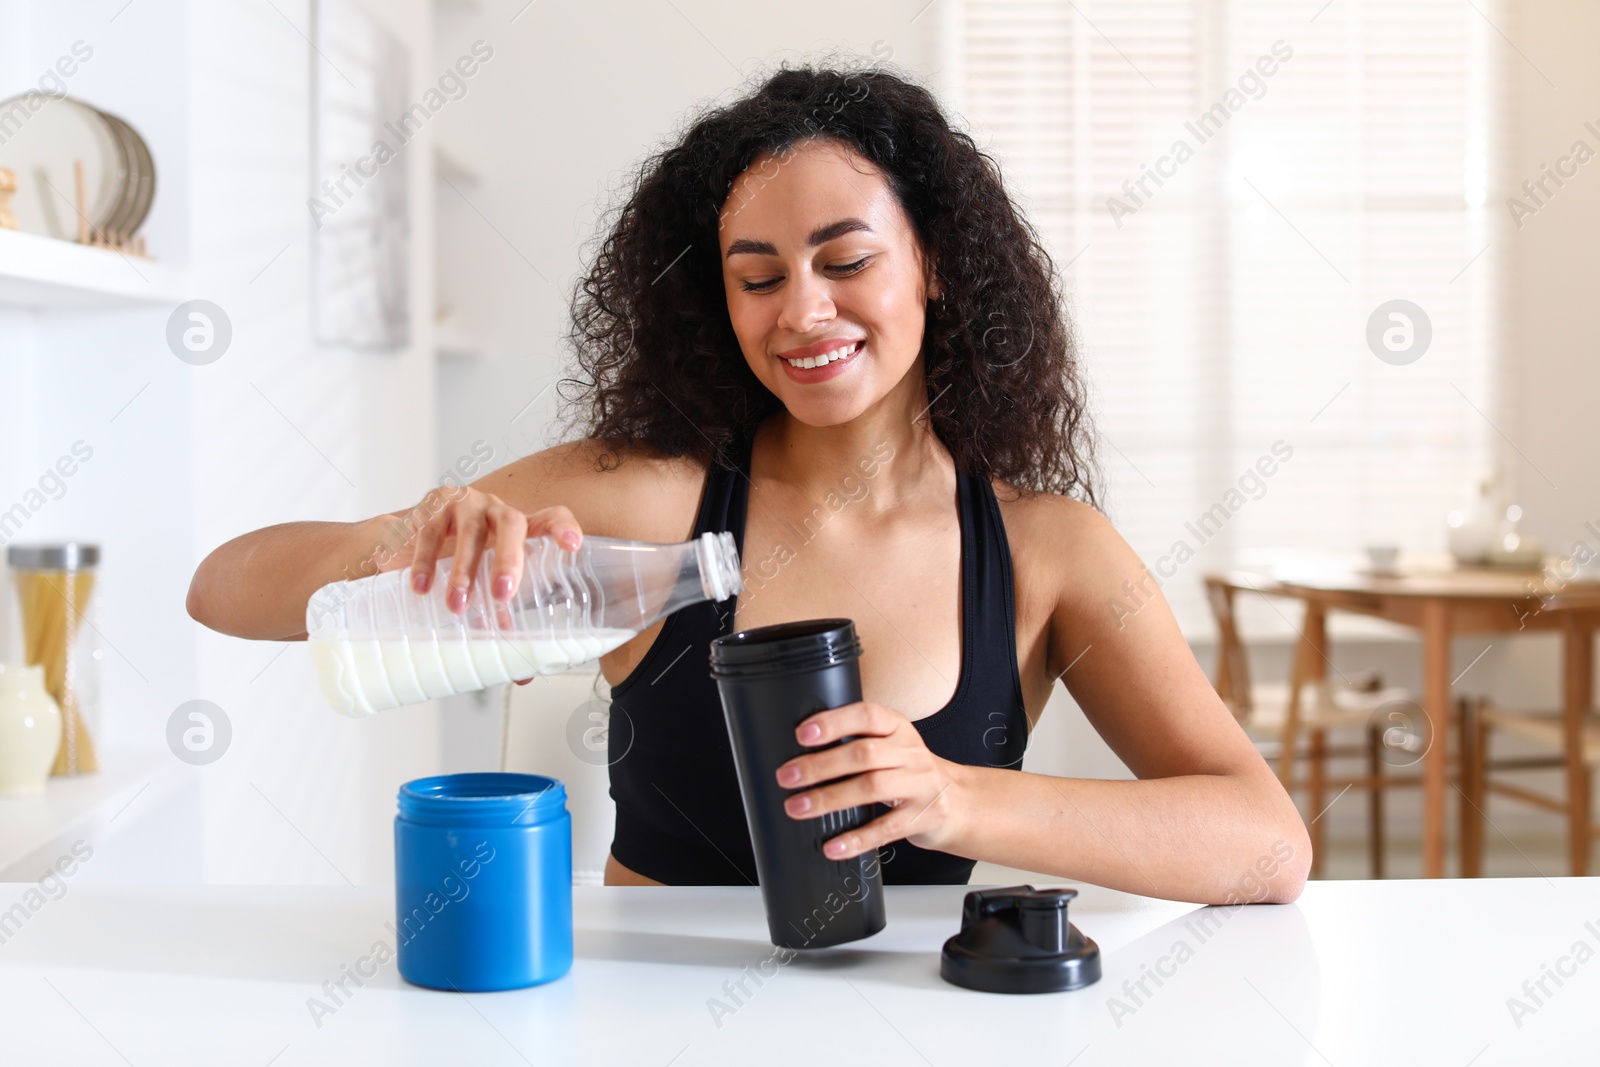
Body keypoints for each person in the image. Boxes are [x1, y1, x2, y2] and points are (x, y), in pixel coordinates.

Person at [187, 62, 1310, 904]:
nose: (802, 312)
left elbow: (1265, 843)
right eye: (756, 277)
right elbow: (220, 588)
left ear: (934, 263)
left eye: (847, 260)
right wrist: (412, 537)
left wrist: (959, 797)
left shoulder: (1046, 552)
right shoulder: (644, 501)